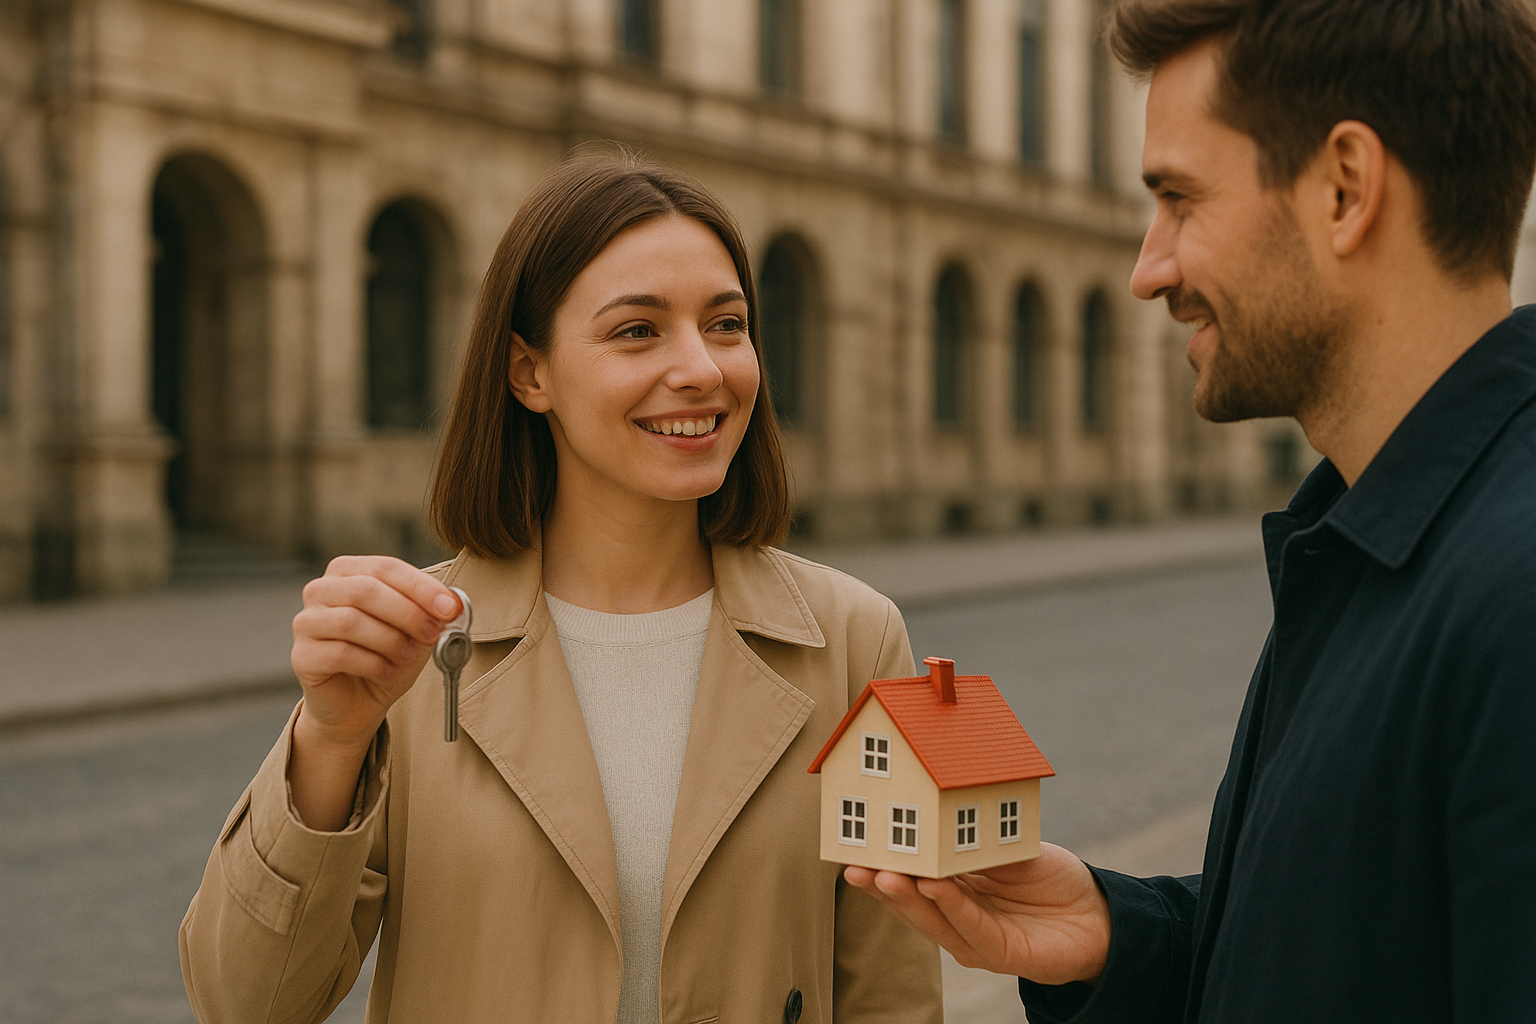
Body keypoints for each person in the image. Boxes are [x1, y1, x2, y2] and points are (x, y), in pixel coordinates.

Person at [845, 1, 1536, 1021]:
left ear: (1345, 188)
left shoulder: (1511, 594)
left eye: (1179, 198)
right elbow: (1361, 949)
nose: (1147, 267)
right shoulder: (1370, 540)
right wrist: (1122, 938)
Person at [179, 157, 942, 1024]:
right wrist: (330, 738)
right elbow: (246, 1002)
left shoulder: (858, 639)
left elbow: (895, 996)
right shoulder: (412, 645)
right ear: (528, 374)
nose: (701, 368)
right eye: (637, 332)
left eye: (726, 324)